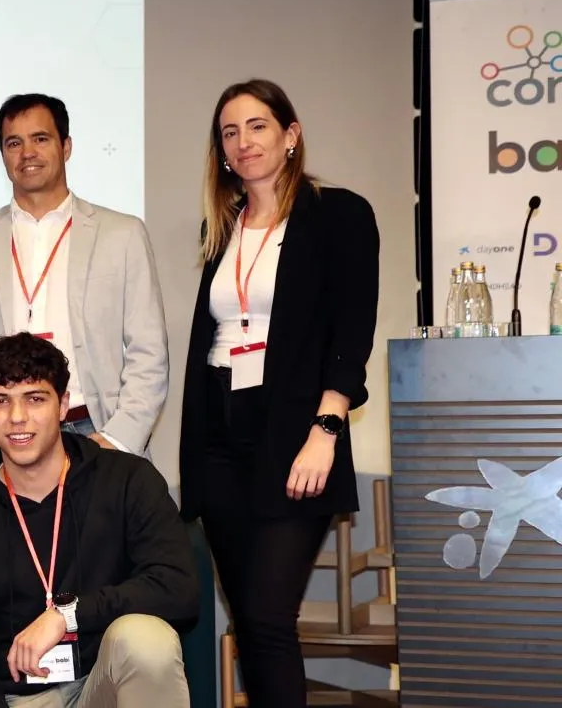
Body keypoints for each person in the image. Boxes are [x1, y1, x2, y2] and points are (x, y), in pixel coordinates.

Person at [178, 78, 379, 707]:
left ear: (290, 135)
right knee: (253, 626)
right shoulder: (223, 226)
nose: (244, 142)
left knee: (268, 618)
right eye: (230, 132)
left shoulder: (338, 212)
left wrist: (326, 430)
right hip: (219, 434)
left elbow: (352, 334)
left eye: (258, 126)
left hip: (294, 431)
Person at [0, 333, 198, 708]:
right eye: (0, 401)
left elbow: (178, 588)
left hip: (103, 688)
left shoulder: (126, 481)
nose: (17, 417)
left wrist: (66, 616)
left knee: (145, 638)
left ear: (63, 405)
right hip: (17, 700)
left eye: (35, 399)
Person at [0, 93, 170, 501]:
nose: (27, 153)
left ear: (66, 146)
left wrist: (116, 440)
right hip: (0, 440)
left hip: (94, 431)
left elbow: (149, 352)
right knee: (10, 563)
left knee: (98, 562)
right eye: (13, 142)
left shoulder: (122, 234)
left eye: (40, 138)